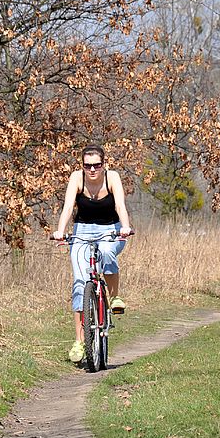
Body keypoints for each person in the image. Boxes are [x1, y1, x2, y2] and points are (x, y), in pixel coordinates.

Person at [51, 144, 133, 362]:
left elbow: (120, 206)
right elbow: (68, 207)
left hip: (110, 230)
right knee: (80, 284)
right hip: (82, 232)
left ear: (104, 164)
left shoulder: (112, 177)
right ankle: (79, 342)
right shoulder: (77, 178)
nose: (92, 170)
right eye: (88, 166)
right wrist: (60, 231)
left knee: (107, 252)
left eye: (97, 165)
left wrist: (125, 227)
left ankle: (114, 297)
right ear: (82, 166)